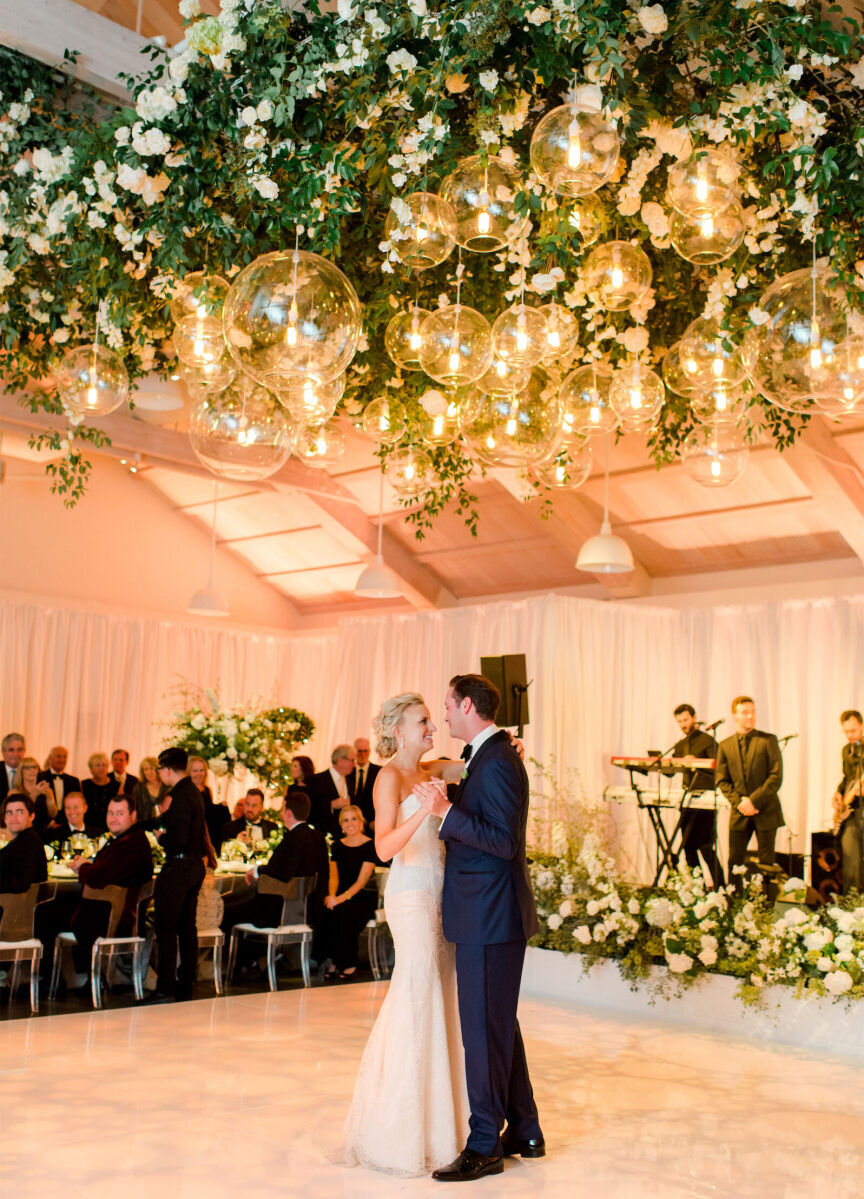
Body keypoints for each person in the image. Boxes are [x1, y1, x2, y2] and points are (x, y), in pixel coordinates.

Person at [414, 673, 543, 1182]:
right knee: (497, 1027)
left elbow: (503, 841)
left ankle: (485, 1144)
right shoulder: (487, 755)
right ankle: (526, 1130)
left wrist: (446, 811)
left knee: (482, 1034)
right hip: (485, 914)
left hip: (490, 916)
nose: (444, 714)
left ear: (467, 705)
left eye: (447, 705)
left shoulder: (498, 761)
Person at [337, 692, 473, 1176]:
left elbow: (467, 763)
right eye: (423, 722)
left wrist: (507, 749)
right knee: (417, 994)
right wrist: (425, 810)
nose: (431, 729)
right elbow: (385, 847)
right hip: (411, 896)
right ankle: (398, 1129)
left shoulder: (432, 769)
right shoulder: (389, 777)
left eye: (432, 721)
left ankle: (447, 1124)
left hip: (441, 895)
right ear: (399, 730)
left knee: (444, 994)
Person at [223, 789, 329, 969]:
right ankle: (257, 961)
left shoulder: (293, 838)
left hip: (280, 911)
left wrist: (257, 870)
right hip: (308, 908)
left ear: (288, 813)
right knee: (244, 905)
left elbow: (283, 872)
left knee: (227, 910)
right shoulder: (317, 837)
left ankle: (239, 965)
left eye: (282, 810)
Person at [141, 747, 208, 1004]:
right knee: (186, 928)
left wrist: (161, 838)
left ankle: (164, 987)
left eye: (160, 770)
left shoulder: (181, 796)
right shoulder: (192, 792)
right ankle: (185, 983)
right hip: (193, 867)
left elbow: (178, 838)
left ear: (167, 770)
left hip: (178, 868)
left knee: (166, 928)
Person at [68, 794, 154, 976]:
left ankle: (53, 982)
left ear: (133, 816)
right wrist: (87, 868)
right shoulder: (128, 839)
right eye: (110, 813)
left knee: (46, 916)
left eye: (120, 813)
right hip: (116, 914)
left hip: (112, 920)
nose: (113, 818)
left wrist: (82, 866)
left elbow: (97, 878)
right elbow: (104, 871)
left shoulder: (129, 844)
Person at [715, 696, 784, 888]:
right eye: (745, 712)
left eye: (753, 712)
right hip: (740, 812)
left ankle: (765, 909)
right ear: (735, 715)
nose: (750, 716)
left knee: (767, 863)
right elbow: (722, 779)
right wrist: (740, 803)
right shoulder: (725, 746)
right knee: (734, 861)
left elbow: (776, 776)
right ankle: (734, 906)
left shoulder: (768, 740)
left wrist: (753, 801)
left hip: (766, 809)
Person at [320, 805, 378, 980]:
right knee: (328, 909)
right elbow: (334, 877)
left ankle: (348, 962)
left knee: (345, 911)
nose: (350, 823)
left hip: (363, 895)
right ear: (341, 825)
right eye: (346, 820)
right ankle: (334, 960)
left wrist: (341, 899)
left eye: (354, 819)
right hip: (340, 893)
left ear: (361, 822)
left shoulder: (370, 845)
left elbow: (362, 881)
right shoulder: (337, 846)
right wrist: (332, 896)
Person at [671, 704, 724, 889]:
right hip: (687, 801)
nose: (683, 725)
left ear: (694, 717)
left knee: (706, 847)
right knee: (688, 848)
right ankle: (698, 890)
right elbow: (670, 771)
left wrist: (697, 764)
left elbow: (719, 770)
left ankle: (721, 889)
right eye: (679, 722)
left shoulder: (708, 741)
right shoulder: (680, 744)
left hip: (706, 802)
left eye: (685, 720)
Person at [831, 709, 864, 893]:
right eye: (846, 732)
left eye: (853, 731)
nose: (850, 735)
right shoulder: (847, 750)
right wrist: (838, 793)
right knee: (850, 857)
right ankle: (850, 908)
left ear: (862, 726)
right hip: (851, 812)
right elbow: (847, 778)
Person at [0, 793, 48, 894]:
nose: (14, 817)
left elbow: (20, 884)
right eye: (9, 813)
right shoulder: (23, 840)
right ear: (5, 818)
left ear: (31, 816)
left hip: (16, 907)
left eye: (20, 812)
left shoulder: (28, 843)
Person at [307, 745, 356, 838]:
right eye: (352, 760)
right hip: (323, 835)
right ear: (340, 760)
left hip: (345, 836)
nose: (355, 764)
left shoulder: (351, 781)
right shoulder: (317, 780)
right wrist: (331, 805)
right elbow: (310, 808)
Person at [188, 755, 229, 851]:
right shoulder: (187, 791)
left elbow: (208, 810)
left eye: (201, 770)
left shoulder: (207, 790)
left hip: (207, 833)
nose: (199, 774)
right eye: (195, 771)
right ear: (189, 772)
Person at [13, 755, 56, 833]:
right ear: (21, 771)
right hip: (23, 833)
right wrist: (33, 795)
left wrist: (50, 798)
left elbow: (53, 815)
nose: (32, 770)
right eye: (27, 768)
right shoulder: (15, 792)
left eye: (34, 767)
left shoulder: (44, 789)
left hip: (44, 833)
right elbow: (19, 815)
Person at [81, 753, 119, 832]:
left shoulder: (116, 786)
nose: (101, 768)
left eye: (103, 765)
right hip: (88, 827)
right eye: (97, 765)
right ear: (91, 769)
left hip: (110, 827)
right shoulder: (84, 784)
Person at [38, 747, 81, 816]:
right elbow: (38, 804)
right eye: (58, 756)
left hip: (67, 822)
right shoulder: (40, 777)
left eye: (64, 757)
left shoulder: (74, 781)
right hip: (45, 823)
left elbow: (77, 804)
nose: (62, 760)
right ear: (50, 758)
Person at [349, 738, 381, 828]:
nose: (363, 754)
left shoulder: (380, 771)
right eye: (359, 751)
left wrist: (376, 819)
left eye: (366, 751)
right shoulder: (347, 771)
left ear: (370, 751)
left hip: (373, 823)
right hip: (350, 821)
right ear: (354, 752)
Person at [134, 757, 169, 822]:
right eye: (146, 769)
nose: (148, 772)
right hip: (144, 825)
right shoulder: (139, 788)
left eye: (151, 769)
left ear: (157, 770)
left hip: (165, 825)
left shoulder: (166, 786)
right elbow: (135, 809)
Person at [0, 732, 26, 803]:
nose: (16, 754)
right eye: (11, 750)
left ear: (24, 751)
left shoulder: (31, 770)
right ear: (3, 752)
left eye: (19, 750)